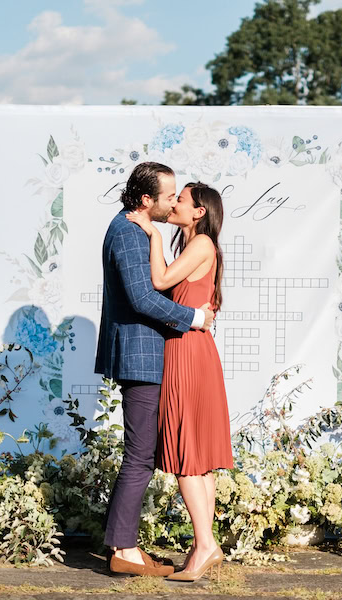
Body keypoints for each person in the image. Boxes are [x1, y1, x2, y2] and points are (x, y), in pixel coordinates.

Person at [95, 162, 216, 578]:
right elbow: (144, 299)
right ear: (146, 199)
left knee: (142, 455)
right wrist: (194, 318)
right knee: (140, 457)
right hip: (141, 357)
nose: (172, 201)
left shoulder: (139, 230)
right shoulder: (128, 231)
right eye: (168, 196)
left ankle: (126, 545)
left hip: (150, 356)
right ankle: (124, 550)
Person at [125, 182, 233, 582]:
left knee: (189, 454)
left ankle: (205, 545)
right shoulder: (197, 246)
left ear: (199, 212)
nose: (173, 204)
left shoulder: (202, 245)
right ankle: (204, 544)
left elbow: (159, 281)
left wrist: (151, 233)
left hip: (188, 353)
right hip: (191, 350)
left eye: (181, 200)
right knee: (197, 459)